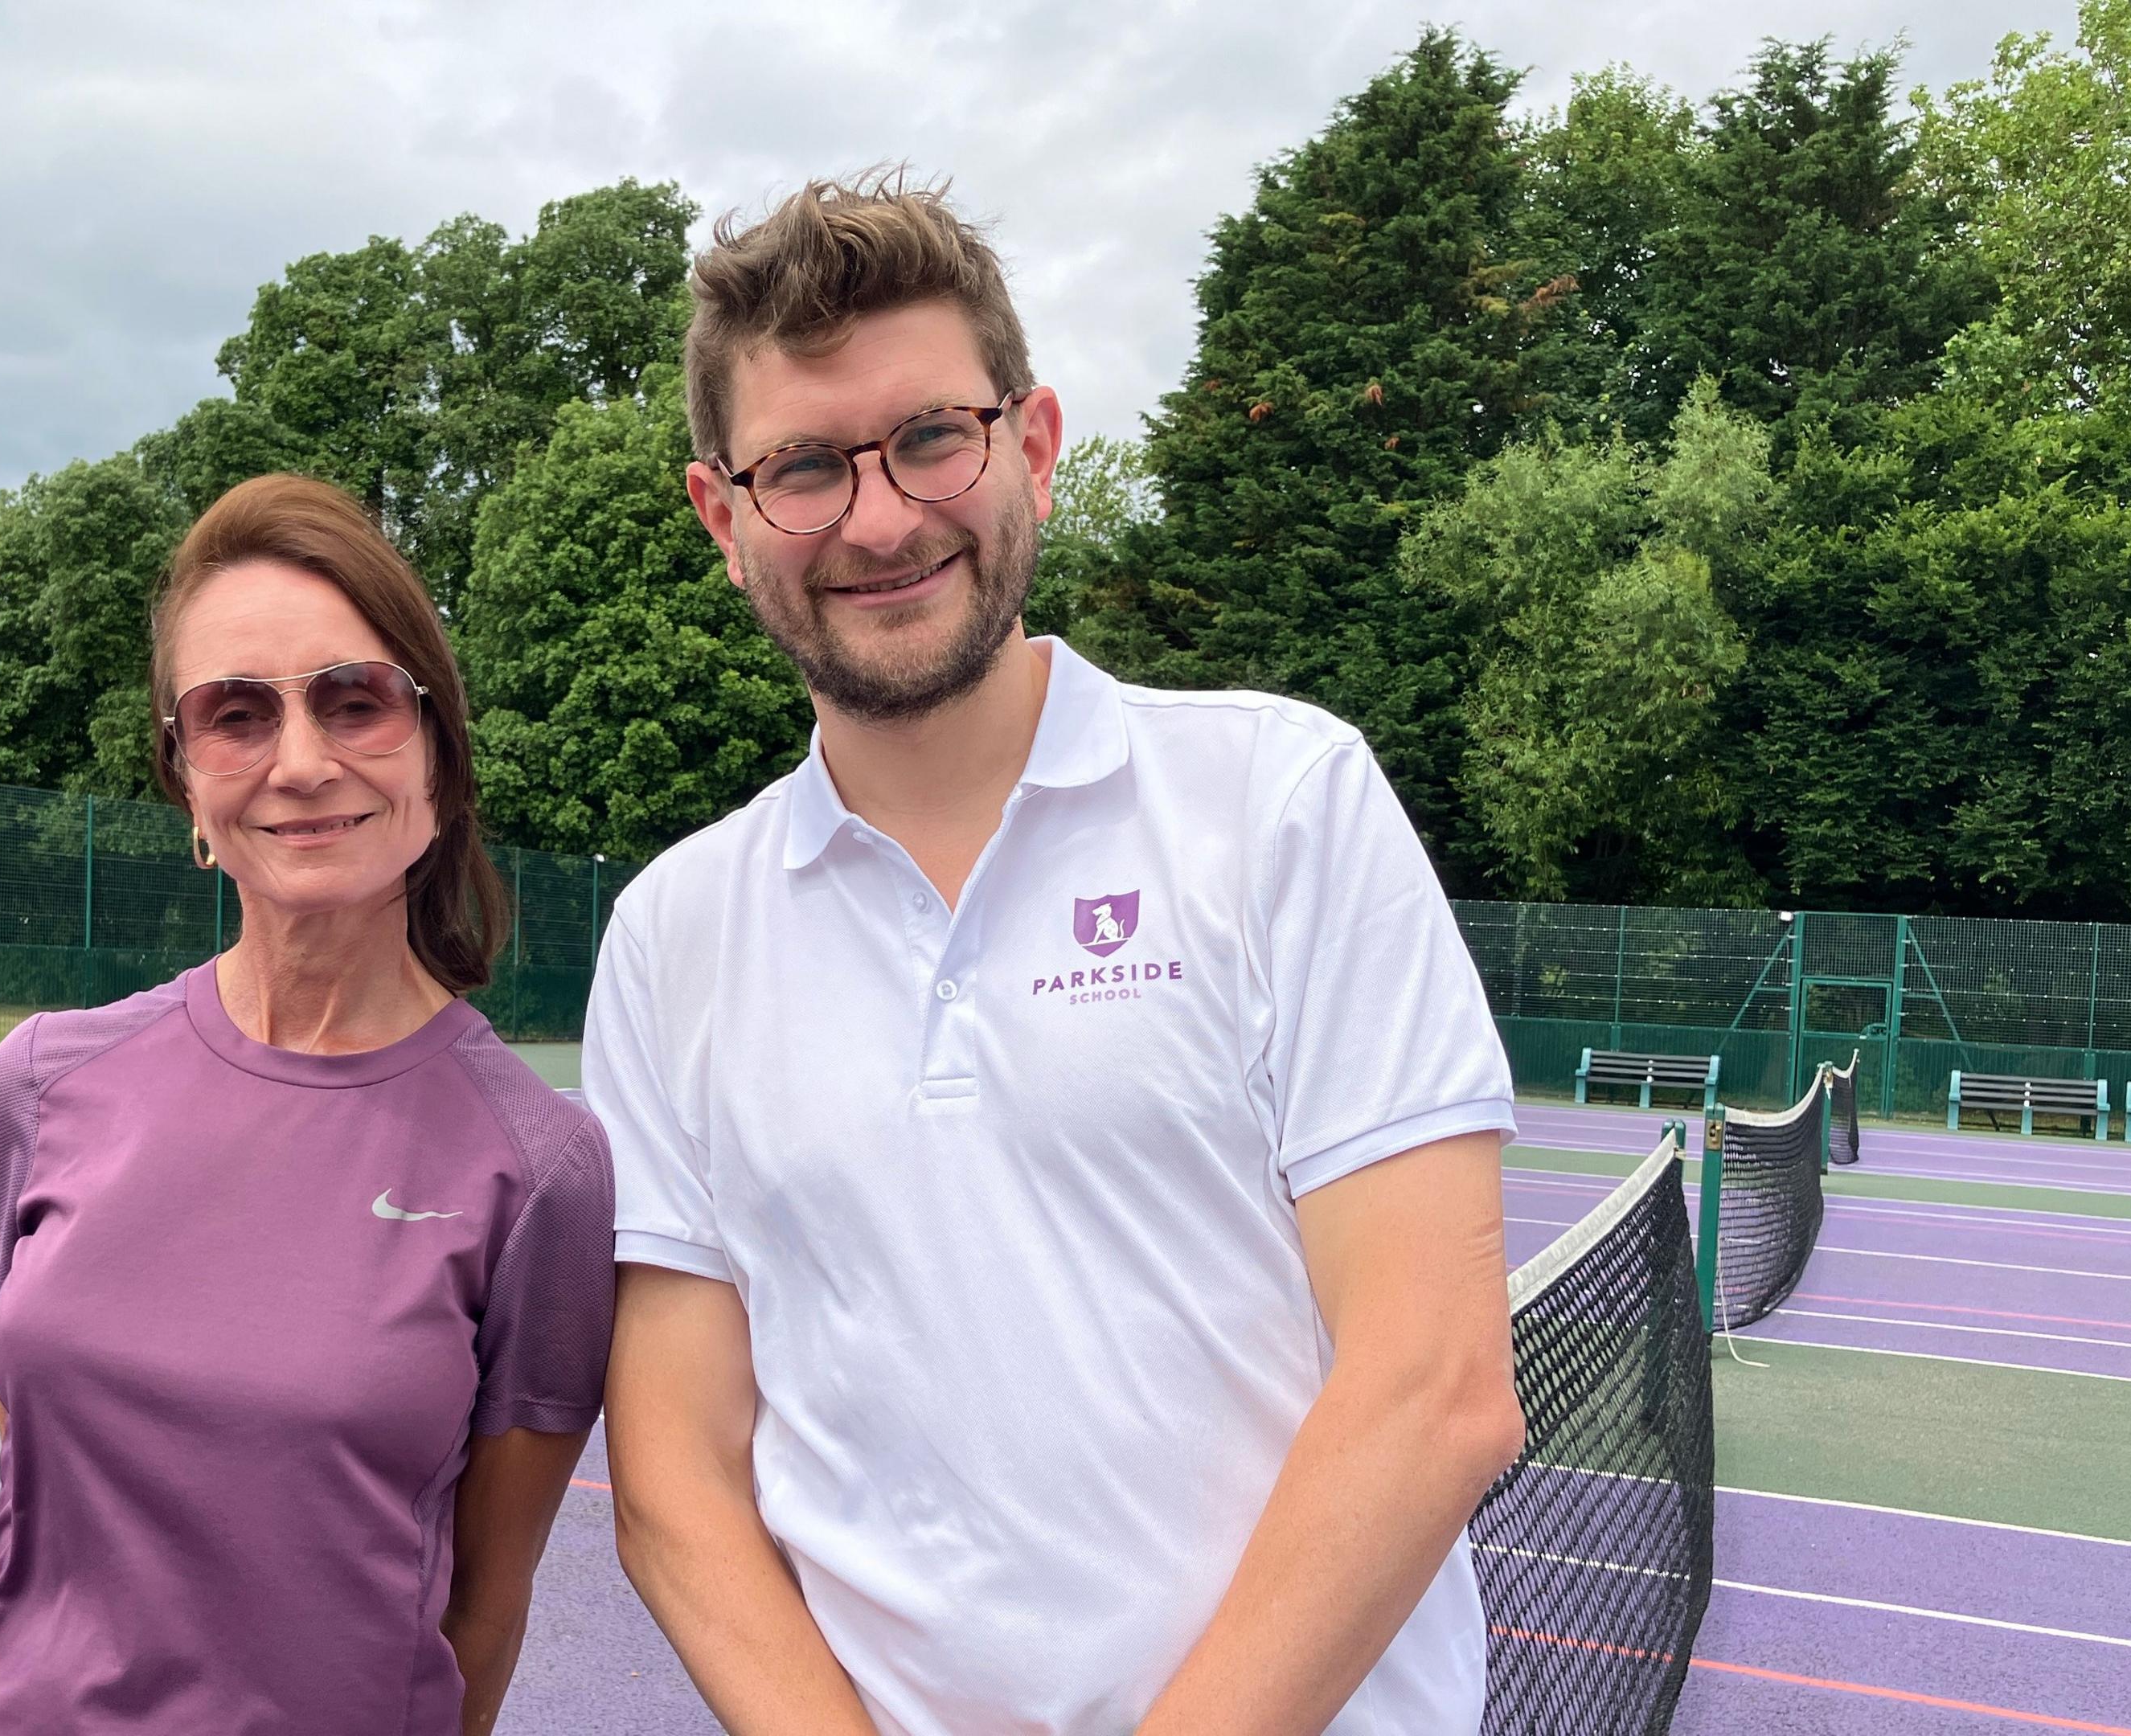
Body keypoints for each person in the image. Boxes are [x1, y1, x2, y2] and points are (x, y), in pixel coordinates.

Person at [586, 173, 1530, 1735]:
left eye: (931, 440)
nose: (880, 519)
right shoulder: (671, 936)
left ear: (1031, 444)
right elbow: (677, 1483)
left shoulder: (1281, 802)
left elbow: (1435, 1386)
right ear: (724, 516)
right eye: (807, 467)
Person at [0, 473, 613, 1735]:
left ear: (438, 756)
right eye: (236, 715)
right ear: (186, 781)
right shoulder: (41, 1084)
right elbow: (47, 1486)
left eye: (356, 701)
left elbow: (485, 1614)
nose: (302, 762)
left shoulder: (542, 1170)